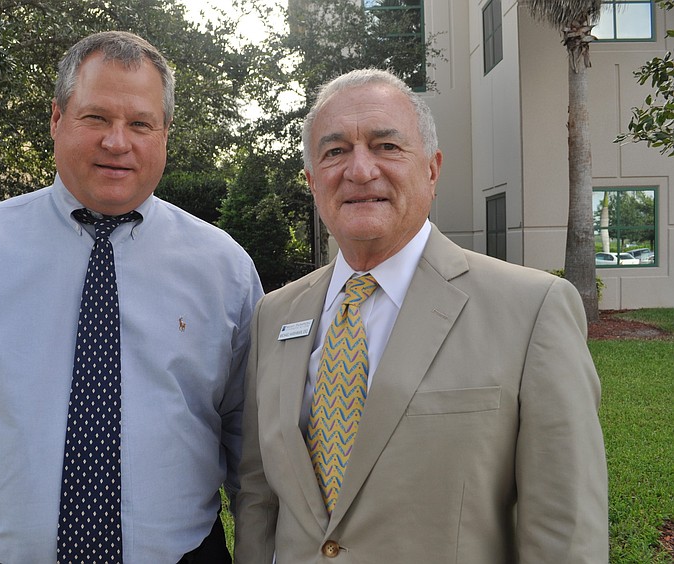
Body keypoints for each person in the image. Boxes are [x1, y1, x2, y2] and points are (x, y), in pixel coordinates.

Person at [0, 31, 263, 563]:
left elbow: (251, 449)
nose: (118, 142)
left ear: (164, 134)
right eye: (96, 118)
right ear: (56, 119)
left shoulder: (224, 268)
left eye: (140, 123)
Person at [233, 68, 608, 563]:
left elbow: (567, 529)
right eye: (335, 151)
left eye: (386, 146)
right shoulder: (274, 314)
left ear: (432, 169)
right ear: (311, 180)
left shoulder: (532, 309)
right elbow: (259, 495)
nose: (360, 170)